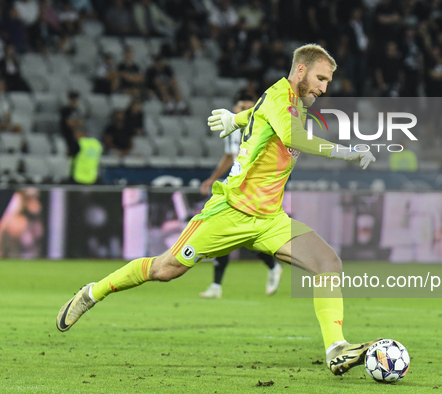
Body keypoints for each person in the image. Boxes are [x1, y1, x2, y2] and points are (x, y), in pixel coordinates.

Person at [56, 43, 377, 376]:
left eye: (327, 82)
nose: (325, 89)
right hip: (230, 210)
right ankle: (92, 293)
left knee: (328, 263)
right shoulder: (282, 97)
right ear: (300, 71)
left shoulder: (292, 101)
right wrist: (347, 152)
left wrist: (235, 120)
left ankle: (336, 348)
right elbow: (292, 135)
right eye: (321, 78)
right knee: (166, 269)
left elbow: (259, 113)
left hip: (269, 219)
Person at [199, 93, 282, 299]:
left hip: (253, 187)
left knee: (240, 233)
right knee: (225, 230)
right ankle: (217, 285)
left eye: (246, 105)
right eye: (238, 105)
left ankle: (272, 265)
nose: (240, 108)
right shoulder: (234, 130)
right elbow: (229, 156)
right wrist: (212, 179)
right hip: (236, 185)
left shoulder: (263, 125)